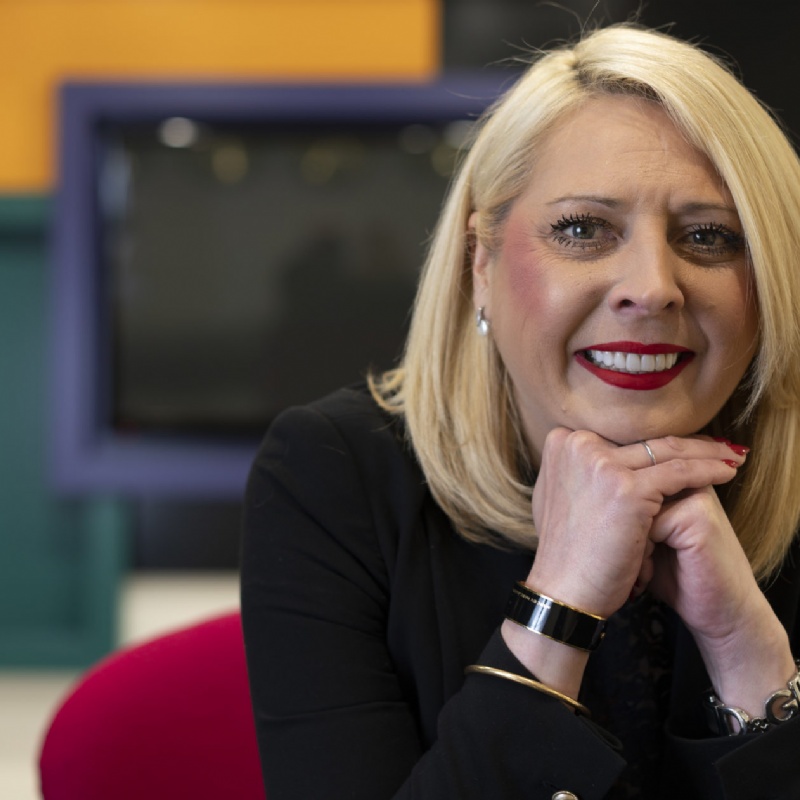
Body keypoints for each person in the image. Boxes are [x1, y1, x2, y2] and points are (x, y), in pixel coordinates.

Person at [240, 24, 800, 800]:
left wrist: (745, 646)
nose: (652, 288)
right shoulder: (331, 474)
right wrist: (559, 609)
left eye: (709, 236)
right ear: (482, 262)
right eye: (584, 229)